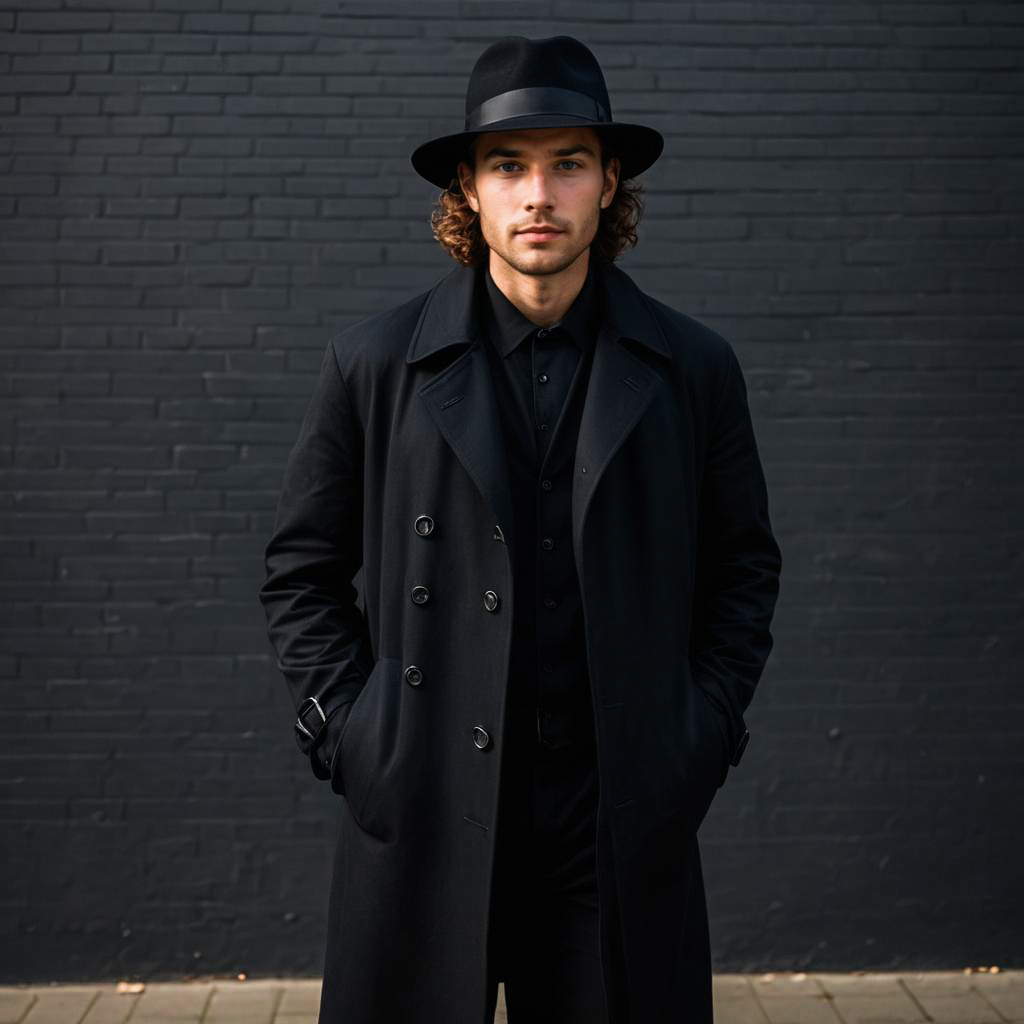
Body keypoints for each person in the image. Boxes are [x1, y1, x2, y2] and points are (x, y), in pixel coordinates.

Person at [259, 34, 782, 1024]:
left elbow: (743, 570)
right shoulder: (376, 365)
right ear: (467, 186)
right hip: (423, 801)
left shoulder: (692, 368)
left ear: (608, 179)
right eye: (508, 165)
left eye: (567, 163)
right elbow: (301, 570)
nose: (538, 193)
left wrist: (697, 734)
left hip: (614, 815)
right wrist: (352, 736)